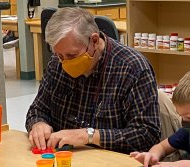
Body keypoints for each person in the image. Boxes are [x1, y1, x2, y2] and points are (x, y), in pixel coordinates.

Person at [25, 7, 161, 154]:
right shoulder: (56, 63)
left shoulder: (132, 69)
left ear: (94, 41)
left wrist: (89, 136)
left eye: (72, 55)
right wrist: (38, 123)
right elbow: (37, 109)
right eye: (60, 56)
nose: (65, 63)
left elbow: (147, 135)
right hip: (63, 161)